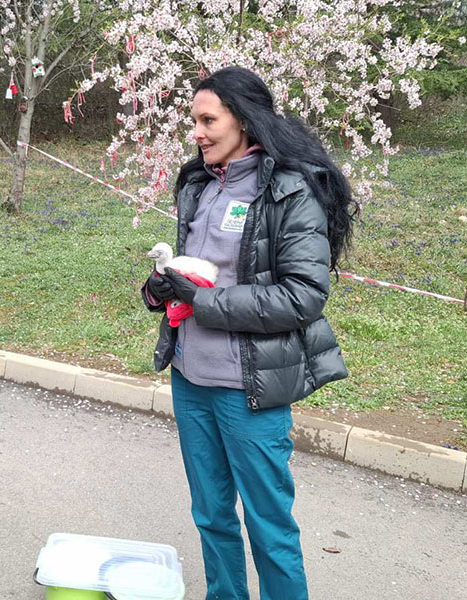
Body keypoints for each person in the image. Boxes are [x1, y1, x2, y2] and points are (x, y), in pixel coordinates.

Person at [141, 66, 356, 600]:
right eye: (194, 120)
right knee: (212, 517)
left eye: (208, 120)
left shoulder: (289, 190)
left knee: (268, 527)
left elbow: (303, 295)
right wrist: (163, 287)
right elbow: (201, 268)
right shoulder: (197, 184)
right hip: (191, 379)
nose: (197, 132)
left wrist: (205, 301)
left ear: (243, 119)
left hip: (251, 389)